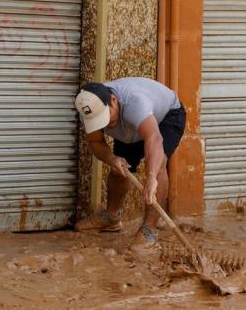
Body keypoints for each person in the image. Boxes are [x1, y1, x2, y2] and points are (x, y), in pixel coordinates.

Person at [74, 77, 185, 250]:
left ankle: (150, 228)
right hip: (130, 127)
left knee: (158, 165)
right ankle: (111, 217)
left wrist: (151, 177)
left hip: (166, 117)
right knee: (119, 169)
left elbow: (153, 138)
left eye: (105, 117)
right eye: (99, 121)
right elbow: (96, 143)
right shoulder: (89, 109)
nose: (105, 124)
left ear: (113, 100)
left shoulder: (135, 103)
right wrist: (112, 159)